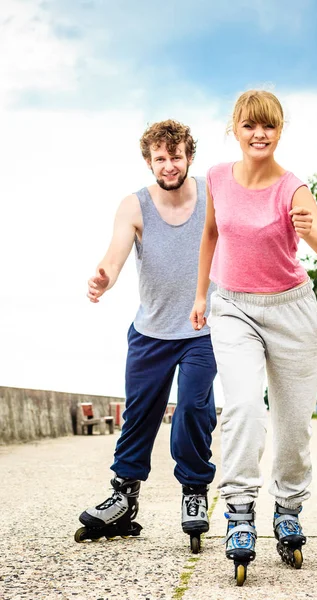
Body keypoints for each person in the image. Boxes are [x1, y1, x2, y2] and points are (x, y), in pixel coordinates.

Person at [190, 90, 317, 584]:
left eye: (269, 127)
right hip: (233, 305)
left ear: (280, 131)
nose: (260, 135)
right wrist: (200, 296)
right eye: (251, 126)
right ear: (235, 127)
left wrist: (310, 232)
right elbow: (210, 234)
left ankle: (289, 509)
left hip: (291, 311)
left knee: (294, 423)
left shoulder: (293, 188)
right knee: (243, 408)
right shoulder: (216, 177)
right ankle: (238, 510)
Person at [76, 120, 217, 553]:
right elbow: (116, 254)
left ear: (189, 156)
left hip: (201, 328)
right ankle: (124, 496)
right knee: (138, 416)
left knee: (194, 406)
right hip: (150, 331)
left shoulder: (213, 196)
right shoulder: (134, 206)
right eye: (161, 158)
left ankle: (194, 490)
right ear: (149, 161)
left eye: (176, 156)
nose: (169, 165)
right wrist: (105, 277)